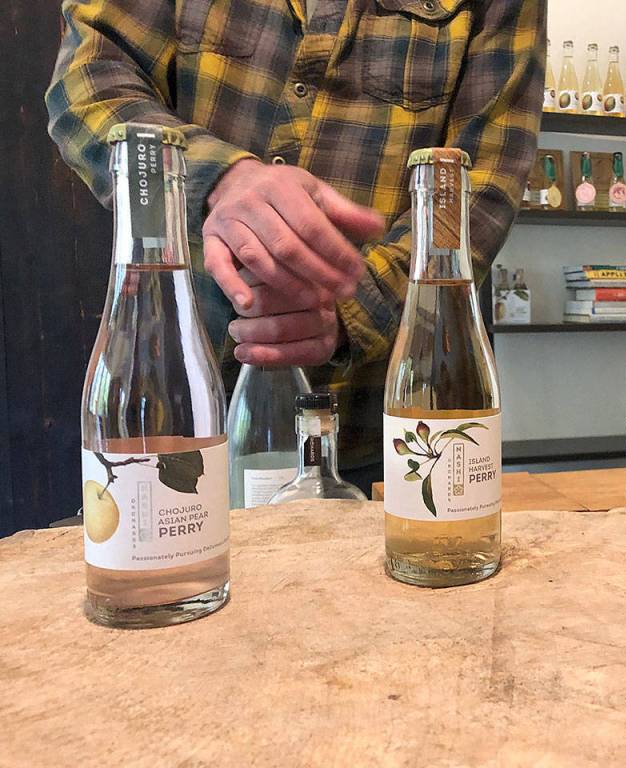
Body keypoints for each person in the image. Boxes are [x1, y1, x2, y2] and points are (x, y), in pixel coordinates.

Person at [46, 0, 545, 493]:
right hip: (163, 401)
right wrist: (219, 177)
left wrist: (350, 306)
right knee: (159, 568)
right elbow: (91, 79)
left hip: (383, 432)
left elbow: (484, 178)